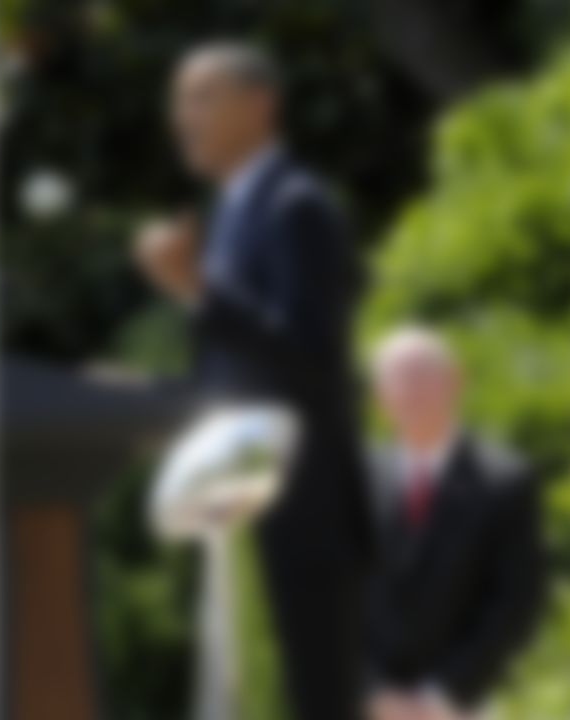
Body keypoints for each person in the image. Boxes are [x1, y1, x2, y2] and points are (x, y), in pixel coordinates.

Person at [134, 42, 369, 719]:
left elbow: (308, 356)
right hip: (244, 503)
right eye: (178, 101)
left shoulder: (297, 204)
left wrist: (196, 290)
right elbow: (243, 371)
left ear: (261, 104)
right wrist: (150, 391)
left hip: (303, 511)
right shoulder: (236, 207)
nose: (182, 117)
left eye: (201, 97)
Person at [365, 327, 546, 720]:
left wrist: (441, 696)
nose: (411, 391)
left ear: (455, 381)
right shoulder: (354, 480)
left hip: (459, 706)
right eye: (397, 379)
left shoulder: (506, 479)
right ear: (379, 397)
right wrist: (370, 692)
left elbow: (517, 602)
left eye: (423, 375)